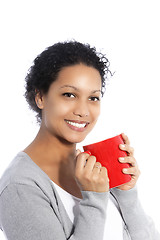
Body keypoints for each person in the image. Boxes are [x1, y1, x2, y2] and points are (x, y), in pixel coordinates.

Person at [0, 41, 159, 240]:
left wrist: (126, 193)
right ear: (40, 97)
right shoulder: (19, 187)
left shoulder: (94, 169)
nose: (83, 111)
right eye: (69, 94)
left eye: (93, 98)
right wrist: (94, 198)